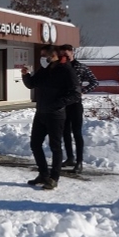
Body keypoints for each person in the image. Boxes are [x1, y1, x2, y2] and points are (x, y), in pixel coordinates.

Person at [21, 45, 81, 190]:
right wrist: (25, 75)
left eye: (45, 55)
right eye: (42, 56)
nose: (43, 58)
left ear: (54, 55)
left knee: (55, 147)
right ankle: (43, 174)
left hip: (56, 115)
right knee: (35, 144)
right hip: (41, 113)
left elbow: (75, 94)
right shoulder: (46, 69)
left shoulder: (66, 70)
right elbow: (32, 84)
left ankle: (54, 178)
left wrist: (57, 104)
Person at [58, 44, 99, 173]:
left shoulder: (80, 67)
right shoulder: (59, 66)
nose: (64, 57)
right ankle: (70, 157)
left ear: (72, 53)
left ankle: (80, 161)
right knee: (65, 132)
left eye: (66, 54)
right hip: (63, 103)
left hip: (75, 104)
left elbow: (94, 81)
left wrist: (83, 90)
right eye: (62, 54)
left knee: (76, 132)